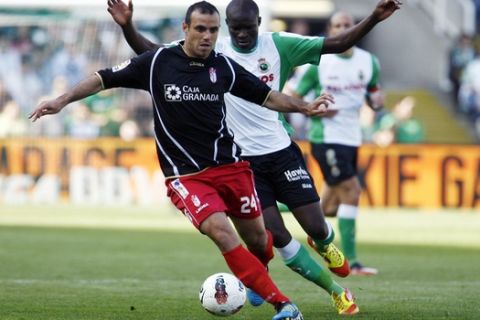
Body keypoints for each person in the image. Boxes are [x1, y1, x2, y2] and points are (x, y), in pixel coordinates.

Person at [29, 2, 335, 319]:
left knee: (259, 242)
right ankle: (285, 306)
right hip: (187, 177)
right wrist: (61, 100)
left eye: (213, 30)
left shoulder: (224, 67)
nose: (207, 36)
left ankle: (258, 278)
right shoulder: (159, 62)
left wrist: (304, 107)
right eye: (200, 29)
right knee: (221, 232)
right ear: (185, 28)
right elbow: (104, 78)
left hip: (231, 168)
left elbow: (268, 96)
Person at [107, 0, 401, 314]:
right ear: (227, 27)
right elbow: (151, 52)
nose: (242, 35)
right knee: (277, 236)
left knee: (315, 225)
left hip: (281, 150)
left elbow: (339, 43)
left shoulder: (280, 45)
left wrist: (373, 17)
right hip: (242, 162)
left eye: (248, 28)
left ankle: (323, 242)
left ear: (260, 22)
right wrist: (127, 26)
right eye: (235, 29)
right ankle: (335, 292)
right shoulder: (211, 49)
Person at [291, 11, 387, 275]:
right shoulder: (319, 64)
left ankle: (275, 209)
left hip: (352, 137)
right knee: (352, 191)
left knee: (330, 206)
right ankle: (353, 262)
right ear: (330, 31)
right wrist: (312, 108)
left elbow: (375, 92)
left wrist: (377, 102)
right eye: (337, 26)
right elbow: (292, 96)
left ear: (354, 28)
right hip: (325, 137)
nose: (343, 29)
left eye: (347, 25)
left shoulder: (369, 62)